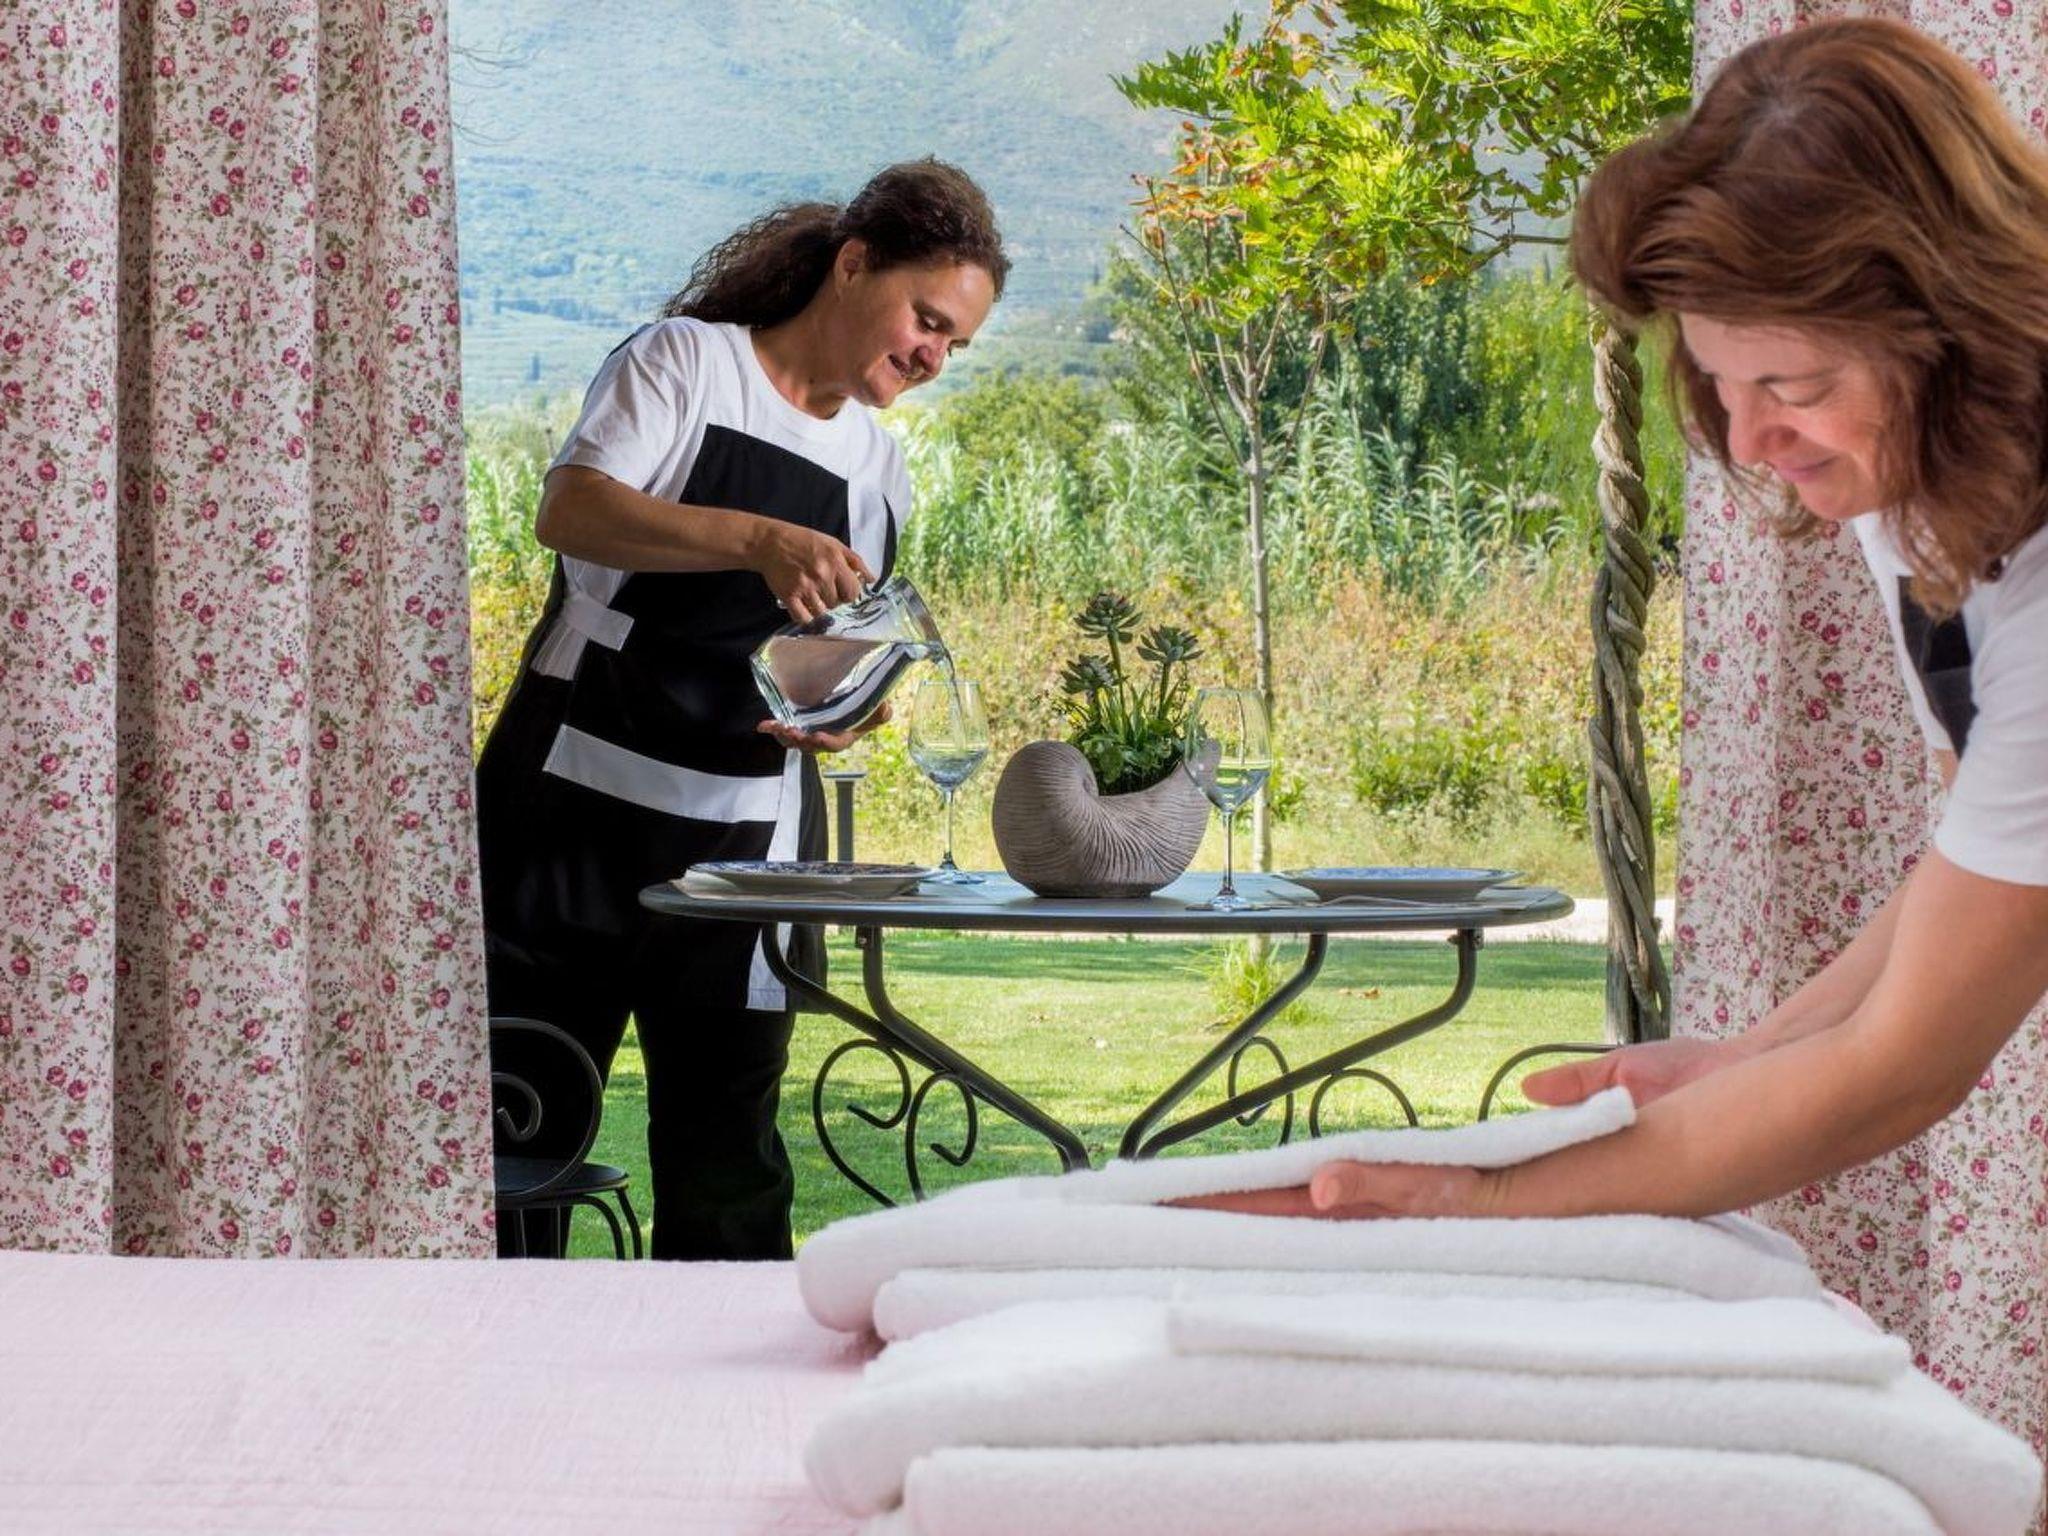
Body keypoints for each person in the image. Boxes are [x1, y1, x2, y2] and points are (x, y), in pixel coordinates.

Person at [1189, 19, 2048, 1226]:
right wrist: (1743, 1060)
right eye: (1723, 384)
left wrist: (1471, 1199)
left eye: (1793, 389)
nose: (1749, 441)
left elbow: (1899, 1067)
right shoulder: (1915, 479)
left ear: (1958, 338)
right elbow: (1980, 865)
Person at [476, 159, 1004, 1259]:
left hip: (748, 850)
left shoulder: (876, 472)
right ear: (853, 265)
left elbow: (822, 654)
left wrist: (847, 709)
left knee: (728, 1169)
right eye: (926, 320)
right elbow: (571, 511)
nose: (932, 358)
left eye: (954, 345)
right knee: (511, 1148)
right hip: (567, 815)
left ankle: (726, 1373)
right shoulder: (685, 365)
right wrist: (757, 538)